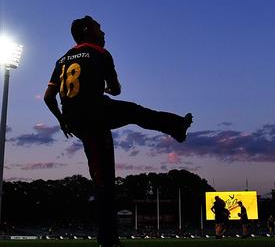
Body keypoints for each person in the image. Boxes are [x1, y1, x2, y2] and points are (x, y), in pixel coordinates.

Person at [44, 15, 193, 247]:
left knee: (102, 179)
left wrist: (62, 121)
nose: (104, 33)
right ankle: (175, 127)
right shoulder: (101, 53)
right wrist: (108, 87)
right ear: (87, 32)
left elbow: (48, 97)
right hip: (95, 112)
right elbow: (116, 90)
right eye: (99, 29)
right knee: (135, 112)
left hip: (76, 120)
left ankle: (108, 239)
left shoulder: (61, 59)